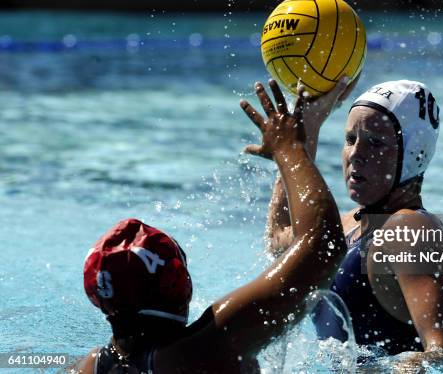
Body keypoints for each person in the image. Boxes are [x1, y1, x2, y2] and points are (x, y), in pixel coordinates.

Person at [68, 81, 347, 373]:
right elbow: (322, 247)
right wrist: (289, 149)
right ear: (180, 283)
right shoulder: (206, 350)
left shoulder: (86, 367)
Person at [264, 78, 443, 364]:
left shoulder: (409, 230)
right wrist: (308, 122)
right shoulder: (349, 224)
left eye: (375, 142)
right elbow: (280, 240)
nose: (356, 154)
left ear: (414, 154)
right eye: (350, 139)